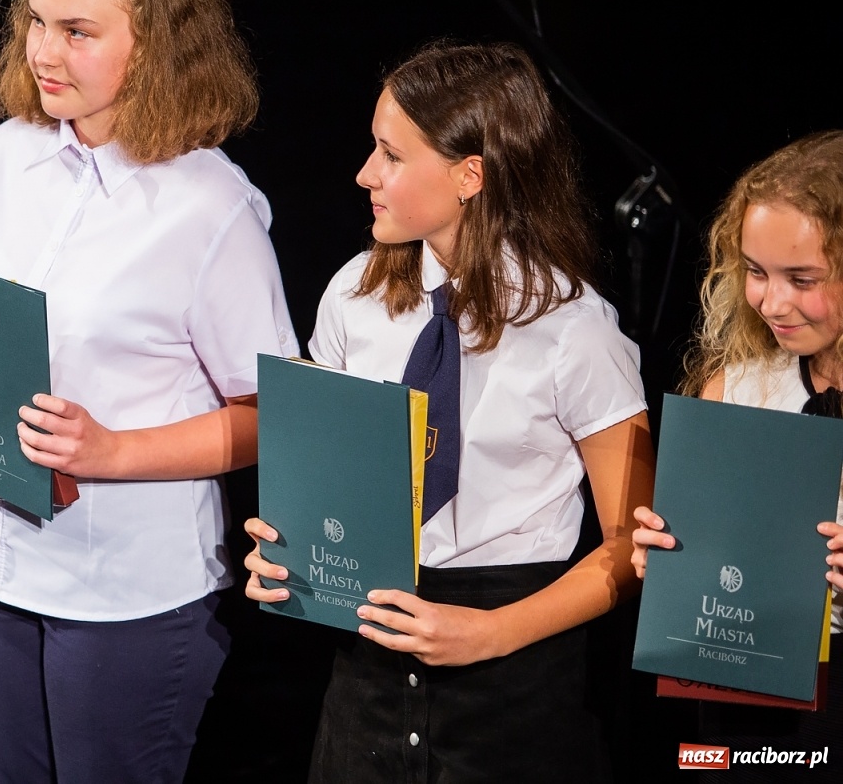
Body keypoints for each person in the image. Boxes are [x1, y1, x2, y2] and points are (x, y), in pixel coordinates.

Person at [0, 0, 298, 784]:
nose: (43, 51)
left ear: (153, 44)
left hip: (123, 593)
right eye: (37, 22)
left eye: (78, 31)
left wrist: (112, 450)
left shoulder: (211, 209)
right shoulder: (9, 157)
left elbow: (272, 418)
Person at [243, 41, 656, 782]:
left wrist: (491, 633)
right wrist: (285, 553)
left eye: (391, 156)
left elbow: (636, 546)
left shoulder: (575, 329)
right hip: (366, 676)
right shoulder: (352, 297)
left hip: (515, 686)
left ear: (471, 175)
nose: (365, 174)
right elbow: (324, 486)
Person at [631, 131, 843, 778]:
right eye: (755, 272)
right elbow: (705, 558)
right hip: (742, 702)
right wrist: (667, 556)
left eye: (801, 279)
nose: (771, 302)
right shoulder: (739, 387)